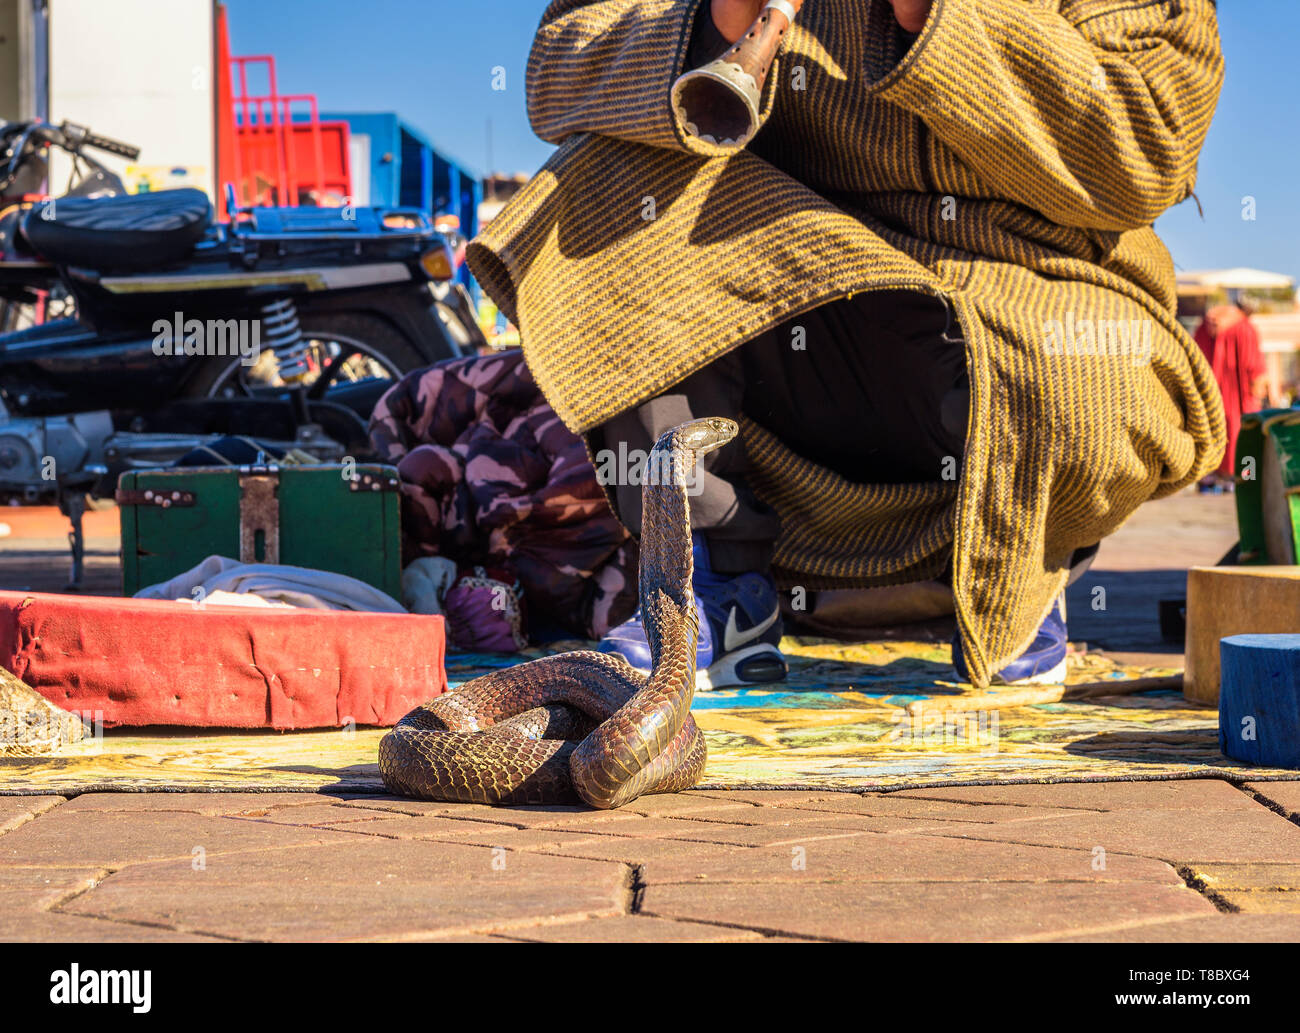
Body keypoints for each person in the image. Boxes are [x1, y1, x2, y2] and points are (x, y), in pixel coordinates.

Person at [466, 0, 1227, 689]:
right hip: (804, 277)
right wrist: (717, 24)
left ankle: (1018, 576)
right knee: (610, 179)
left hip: (1028, 289)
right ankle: (713, 585)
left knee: (1092, 374)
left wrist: (936, 16)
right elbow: (558, 67)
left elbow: (1147, 146)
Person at [1194, 301, 1269, 490]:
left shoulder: (1204, 326)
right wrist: (1259, 390)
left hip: (1211, 395)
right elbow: (1254, 364)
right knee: (1248, 435)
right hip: (1243, 396)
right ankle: (1247, 477)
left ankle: (1211, 477)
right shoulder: (1246, 328)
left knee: (1211, 433)